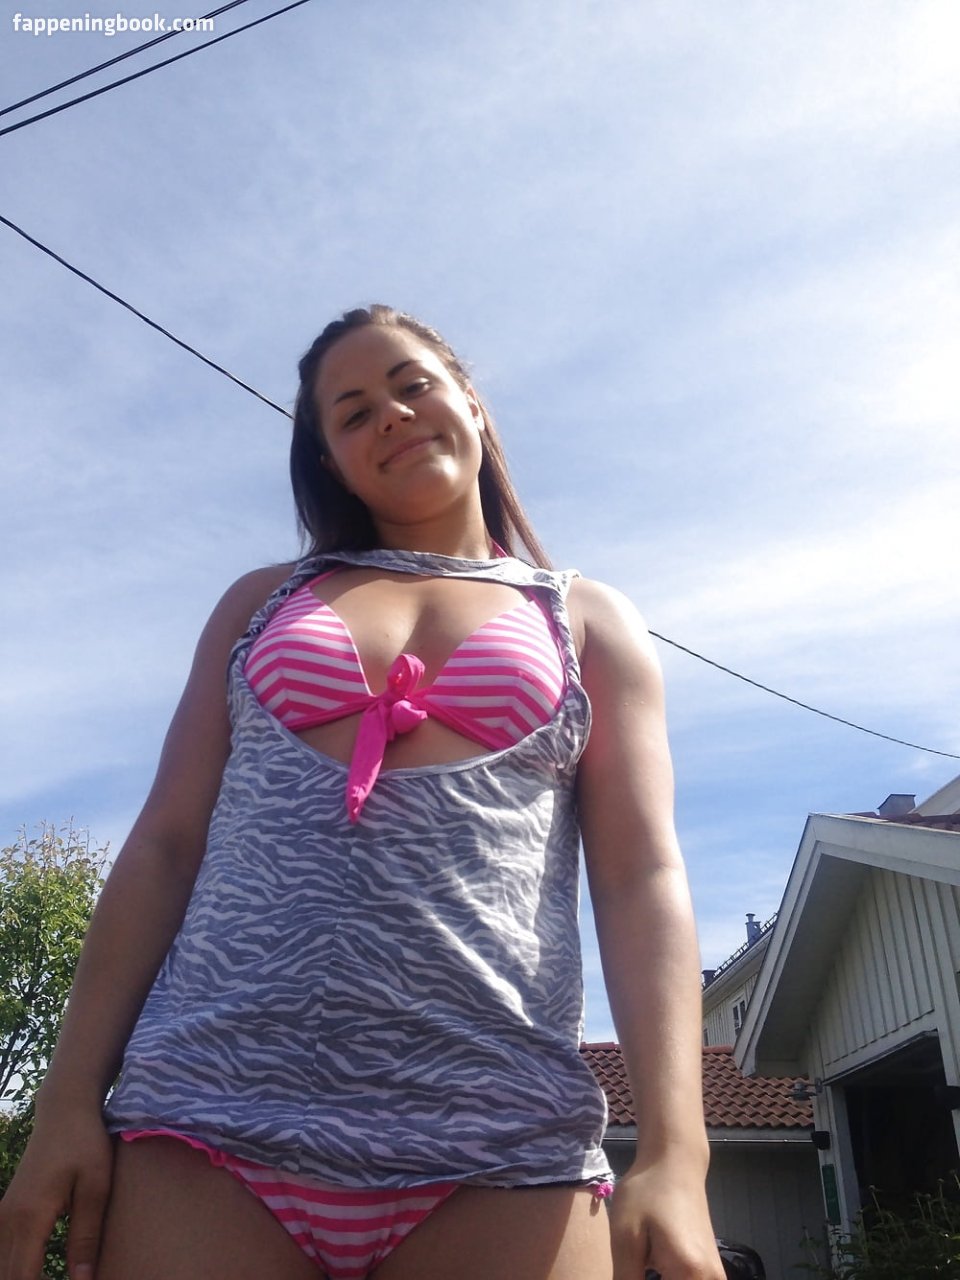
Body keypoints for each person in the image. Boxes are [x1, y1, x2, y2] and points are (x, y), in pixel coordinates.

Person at [0, 306, 724, 1280]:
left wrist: (680, 1152)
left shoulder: (585, 617)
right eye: (351, 412)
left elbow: (641, 878)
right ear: (330, 461)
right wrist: (65, 1103)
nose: (390, 412)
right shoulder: (260, 601)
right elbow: (165, 845)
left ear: (471, 400)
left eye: (412, 384)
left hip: (504, 1137)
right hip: (210, 1119)